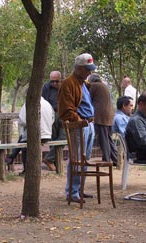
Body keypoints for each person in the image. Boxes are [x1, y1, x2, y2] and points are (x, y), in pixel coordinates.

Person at [57, 53, 97, 203]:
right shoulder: (68, 83)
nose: (89, 72)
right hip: (79, 125)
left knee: (84, 159)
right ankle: (72, 192)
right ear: (79, 68)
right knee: (76, 159)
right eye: (87, 69)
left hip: (88, 125)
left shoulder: (82, 84)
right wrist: (80, 121)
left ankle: (79, 190)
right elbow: (66, 110)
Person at [6, 95, 54, 166]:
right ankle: (11, 156)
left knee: (24, 144)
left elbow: (22, 121)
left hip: (33, 136)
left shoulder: (28, 104)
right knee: (23, 139)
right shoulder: (48, 104)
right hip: (47, 135)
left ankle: (22, 166)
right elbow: (52, 119)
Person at [87, 74, 119, 168]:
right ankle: (115, 158)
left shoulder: (94, 86)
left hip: (101, 116)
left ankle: (106, 159)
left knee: (103, 138)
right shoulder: (103, 86)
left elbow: (88, 98)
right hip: (109, 115)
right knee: (108, 138)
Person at [41, 71, 65, 171]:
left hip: (63, 114)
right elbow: (44, 102)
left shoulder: (65, 87)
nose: (54, 84)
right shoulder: (46, 87)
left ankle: (49, 159)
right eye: (52, 82)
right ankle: (55, 163)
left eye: (56, 81)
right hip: (51, 115)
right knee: (54, 139)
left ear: (61, 80)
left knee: (64, 138)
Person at [124, 94, 146, 164]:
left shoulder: (145, 118)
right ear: (141, 104)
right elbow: (144, 143)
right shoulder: (136, 121)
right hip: (142, 155)